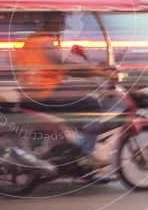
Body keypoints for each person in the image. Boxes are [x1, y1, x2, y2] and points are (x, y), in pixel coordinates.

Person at [9, 13, 112, 171]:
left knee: (76, 96)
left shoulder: (28, 42)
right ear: (54, 22)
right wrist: (99, 71)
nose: (63, 26)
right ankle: (85, 154)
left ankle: (68, 146)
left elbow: (61, 65)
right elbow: (69, 61)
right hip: (47, 92)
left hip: (29, 93)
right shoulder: (46, 42)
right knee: (92, 105)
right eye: (61, 22)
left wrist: (86, 69)